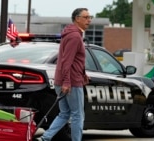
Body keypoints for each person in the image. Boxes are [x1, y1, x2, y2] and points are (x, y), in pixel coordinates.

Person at [38, 8, 91, 141]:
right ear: (77, 19)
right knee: (78, 115)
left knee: (64, 113)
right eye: (86, 17)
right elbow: (67, 61)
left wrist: (83, 74)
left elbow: (74, 60)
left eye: (90, 17)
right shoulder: (74, 36)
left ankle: (45, 138)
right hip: (71, 82)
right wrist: (67, 82)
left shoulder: (70, 34)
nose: (89, 20)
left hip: (62, 80)